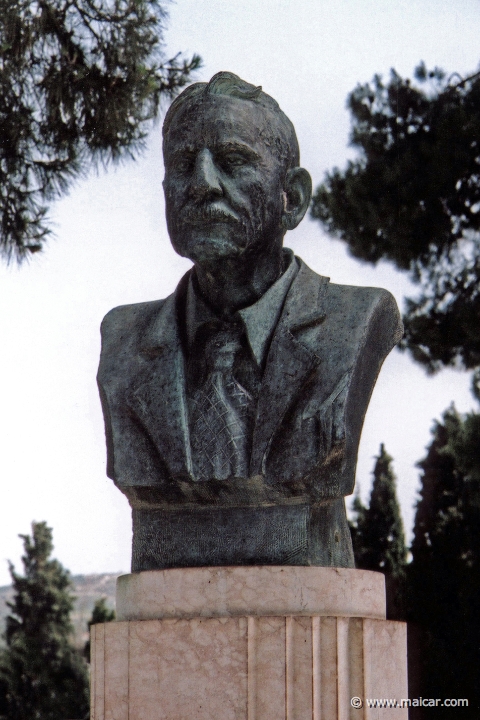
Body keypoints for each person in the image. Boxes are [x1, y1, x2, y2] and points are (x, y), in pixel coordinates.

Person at [98, 72, 403, 571]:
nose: (202, 184)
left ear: (294, 199)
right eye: (182, 165)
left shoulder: (357, 320)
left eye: (233, 161)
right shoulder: (124, 343)